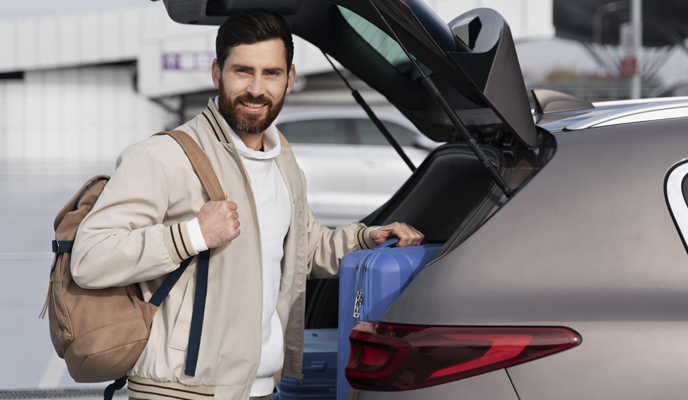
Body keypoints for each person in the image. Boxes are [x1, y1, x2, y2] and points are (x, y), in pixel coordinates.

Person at [69, 9, 424, 400]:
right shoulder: (163, 156)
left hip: (262, 388)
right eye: (242, 71)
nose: (256, 88)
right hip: (178, 391)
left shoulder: (282, 161)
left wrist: (367, 239)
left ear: (289, 78)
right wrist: (191, 235)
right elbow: (90, 257)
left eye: (271, 73)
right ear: (217, 72)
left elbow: (305, 249)